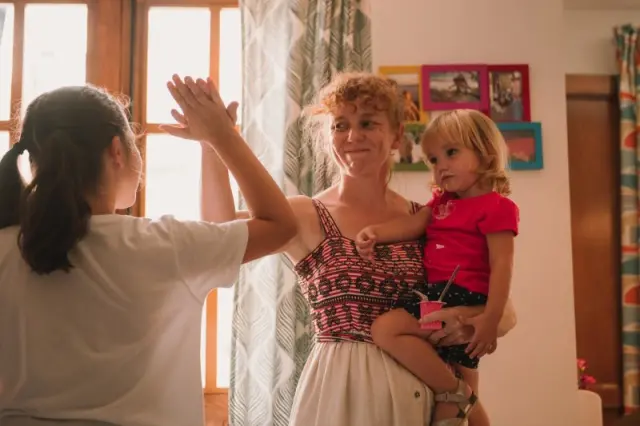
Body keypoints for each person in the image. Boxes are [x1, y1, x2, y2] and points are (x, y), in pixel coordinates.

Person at [198, 72, 517, 426]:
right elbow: (219, 232)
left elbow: (500, 307)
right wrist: (212, 144)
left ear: (397, 135)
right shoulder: (306, 214)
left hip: (422, 403)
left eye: (368, 123)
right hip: (339, 398)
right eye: (340, 125)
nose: (352, 136)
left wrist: (466, 322)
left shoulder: (426, 219)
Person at [0, 76, 297, 426]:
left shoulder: (6, 247)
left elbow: (230, 230)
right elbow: (281, 224)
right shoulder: (164, 245)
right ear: (116, 151)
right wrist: (220, 137)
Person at [355, 109, 518, 426]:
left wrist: (490, 318)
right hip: (437, 295)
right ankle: (458, 392)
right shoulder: (441, 203)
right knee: (456, 406)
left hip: (464, 297)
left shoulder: (498, 207)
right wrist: (375, 232)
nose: (440, 165)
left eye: (451, 153)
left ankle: (458, 392)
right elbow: (413, 225)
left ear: (484, 153)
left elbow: (502, 265)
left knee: (385, 330)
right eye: (433, 159)